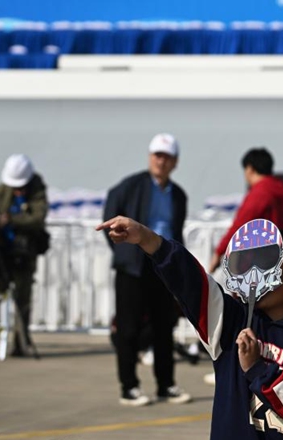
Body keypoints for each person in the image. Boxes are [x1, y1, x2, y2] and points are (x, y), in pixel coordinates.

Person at [97, 216, 283, 439]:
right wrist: (148, 239)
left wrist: (258, 369)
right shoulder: (231, 321)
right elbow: (191, 282)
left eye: (269, 261)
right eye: (253, 262)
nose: (255, 273)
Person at [102, 133, 191, 406]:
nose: (160, 162)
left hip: (162, 265)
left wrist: (179, 266)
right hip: (133, 266)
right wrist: (122, 250)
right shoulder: (131, 186)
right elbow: (110, 214)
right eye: (156, 155)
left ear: (175, 162)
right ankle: (129, 386)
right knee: (127, 328)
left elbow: (176, 231)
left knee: (164, 328)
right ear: (150, 157)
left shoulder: (178, 195)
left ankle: (166, 385)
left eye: (166, 157)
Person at [0, 154, 48, 356]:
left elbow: (37, 217)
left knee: (22, 299)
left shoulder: (37, 190)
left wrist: (12, 220)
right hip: (1, 252)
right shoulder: (2, 190)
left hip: (25, 254)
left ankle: (21, 342)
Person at [209, 148, 283, 273]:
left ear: (249, 169)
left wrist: (219, 253)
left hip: (258, 263)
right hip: (280, 259)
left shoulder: (259, 193)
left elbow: (240, 226)